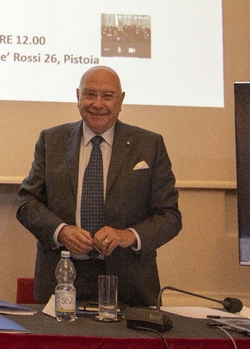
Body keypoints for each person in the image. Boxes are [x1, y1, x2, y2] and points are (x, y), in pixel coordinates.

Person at [16, 66, 181, 307]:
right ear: (78, 96)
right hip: (62, 278)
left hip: (129, 283)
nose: (98, 104)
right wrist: (61, 231)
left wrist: (128, 236)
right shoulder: (51, 140)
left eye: (107, 96)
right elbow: (27, 203)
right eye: (90, 94)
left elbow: (170, 216)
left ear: (121, 100)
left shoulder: (149, 145)